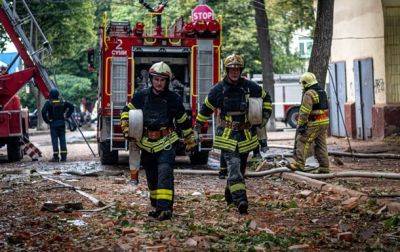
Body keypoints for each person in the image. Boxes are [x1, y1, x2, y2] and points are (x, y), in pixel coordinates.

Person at [196, 54, 272, 214]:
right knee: (234, 167)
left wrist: (264, 115)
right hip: (227, 135)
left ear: (241, 70)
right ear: (227, 70)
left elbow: (266, 98)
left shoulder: (250, 86)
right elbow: (206, 108)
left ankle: (229, 196)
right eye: (232, 69)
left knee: (240, 169)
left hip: (246, 135)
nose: (235, 72)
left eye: (237, 69)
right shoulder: (218, 89)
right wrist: (197, 127)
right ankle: (241, 200)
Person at [120, 61, 196, 221]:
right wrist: (126, 126)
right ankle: (156, 206)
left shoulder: (174, 99)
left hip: (167, 142)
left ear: (167, 81)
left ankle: (165, 209)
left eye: (162, 80)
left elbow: (183, 121)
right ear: (151, 80)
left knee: (164, 173)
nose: (159, 83)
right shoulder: (141, 96)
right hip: (146, 143)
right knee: (152, 177)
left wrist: (190, 139)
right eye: (156, 79)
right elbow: (126, 111)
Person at [289, 72, 330, 173]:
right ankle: (324, 167)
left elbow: (304, 111)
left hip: (314, 122)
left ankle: (299, 163)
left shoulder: (309, 93)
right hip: (324, 121)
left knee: (302, 140)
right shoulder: (322, 91)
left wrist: (301, 124)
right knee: (321, 144)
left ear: (305, 83)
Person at [42, 88, 74, 162]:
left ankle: (56, 157)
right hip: (62, 123)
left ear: (51, 95)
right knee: (63, 140)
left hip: (53, 124)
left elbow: (43, 112)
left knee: (55, 140)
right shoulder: (62, 102)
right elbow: (72, 107)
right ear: (57, 95)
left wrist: (47, 121)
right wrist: (67, 115)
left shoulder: (49, 103)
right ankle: (64, 157)